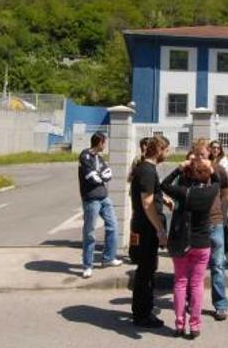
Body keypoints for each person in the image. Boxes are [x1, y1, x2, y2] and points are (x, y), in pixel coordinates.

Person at [160, 158, 220, 339]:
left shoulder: (183, 192)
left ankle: (179, 324)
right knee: (197, 284)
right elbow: (218, 180)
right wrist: (210, 167)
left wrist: (179, 168)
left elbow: (163, 184)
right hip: (202, 243)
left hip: (181, 242)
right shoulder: (211, 191)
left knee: (180, 282)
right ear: (206, 177)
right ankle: (195, 325)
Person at [129, 136, 169, 328]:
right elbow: (147, 202)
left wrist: (165, 199)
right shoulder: (147, 170)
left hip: (143, 226)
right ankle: (142, 315)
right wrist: (160, 229)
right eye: (166, 150)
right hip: (146, 229)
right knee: (145, 272)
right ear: (159, 150)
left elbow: (150, 195)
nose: (167, 154)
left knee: (146, 270)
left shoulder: (146, 169)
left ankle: (142, 309)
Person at [78, 132, 122, 279]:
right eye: (104, 142)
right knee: (89, 232)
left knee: (113, 226)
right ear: (99, 143)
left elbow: (108, 174)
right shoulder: (85, 156)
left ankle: (108, 258)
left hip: (104, 198)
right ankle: (87, 266)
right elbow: (92, 177)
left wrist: (101, 174)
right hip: (91, 199)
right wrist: (100, 175)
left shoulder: (99, 158)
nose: (105, 145)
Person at [206, 140, 228, 320]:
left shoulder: (219, 169)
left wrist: (217, 210)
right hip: (198, 225)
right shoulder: (190, 171)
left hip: (215, 222)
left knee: (217, 265)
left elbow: (225, 191)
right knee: (197, 267)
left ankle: (220, 304)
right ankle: (192, 300)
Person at [209, 140, 228, 266]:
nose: (215, 150)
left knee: (223, 224)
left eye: (218, 148)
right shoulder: (208, 160)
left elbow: (221, 178)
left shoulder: (223, 160)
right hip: (210, 198)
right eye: (213, 147)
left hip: (222, 198)